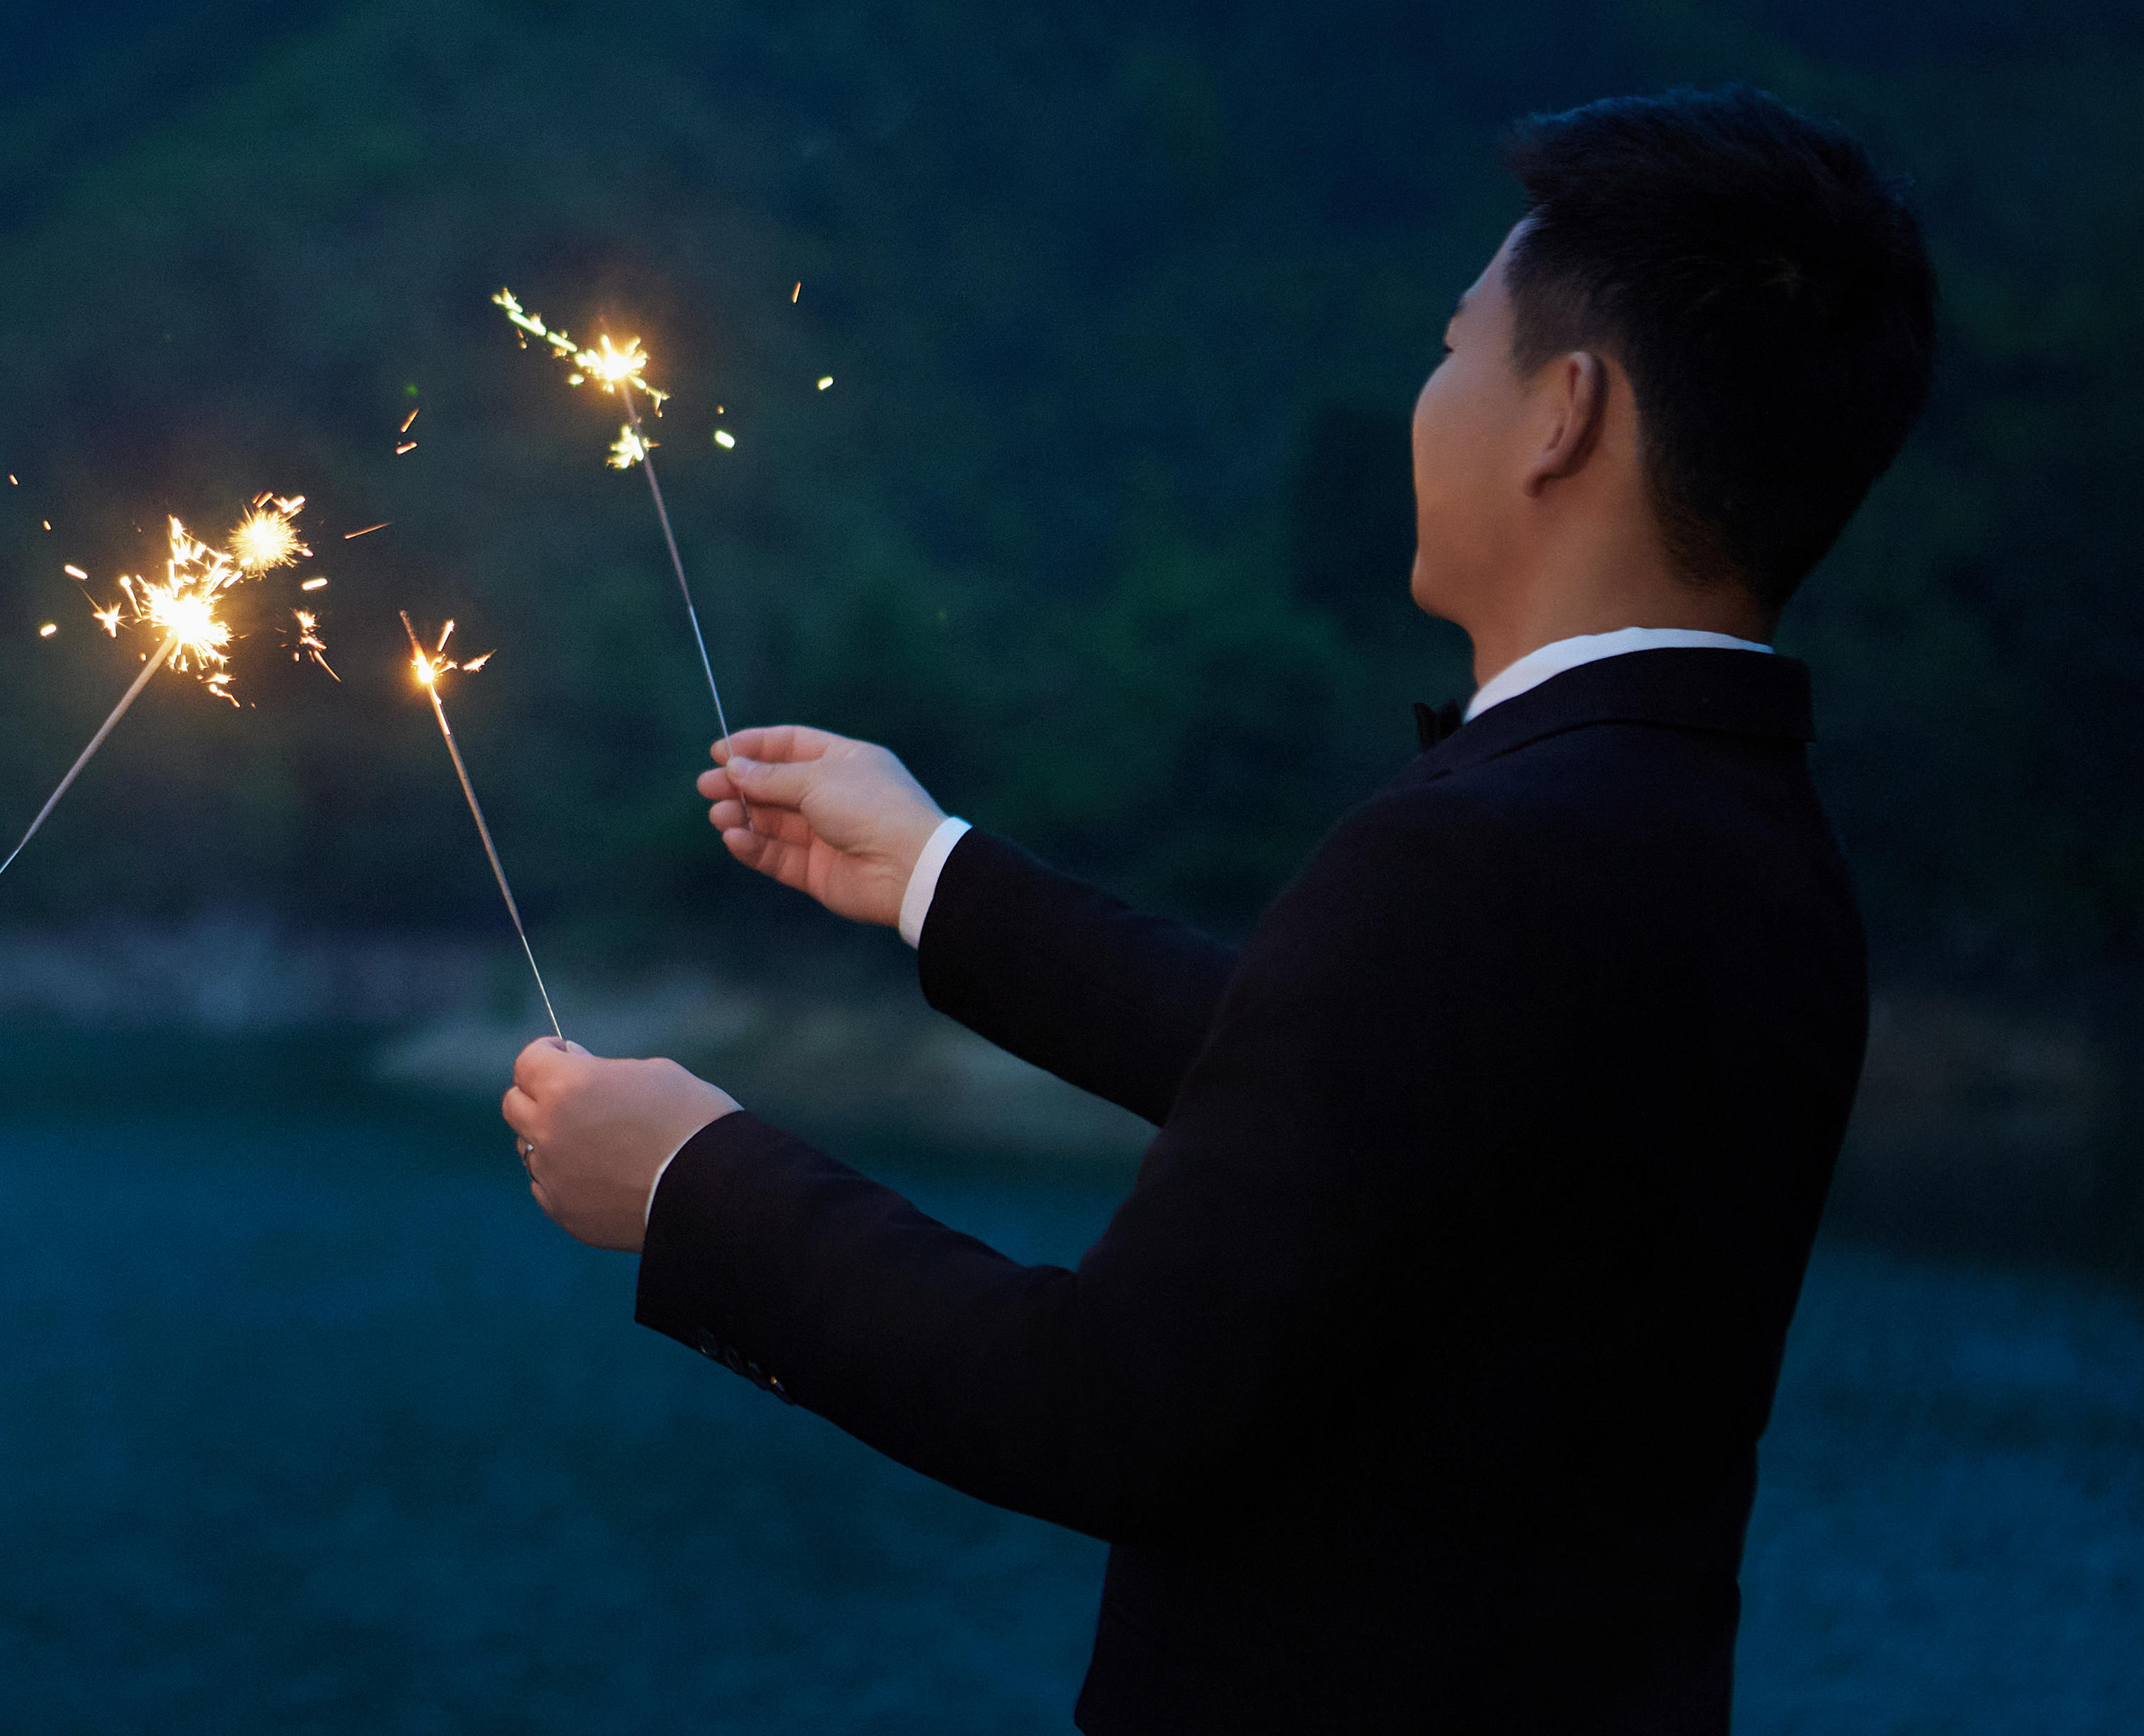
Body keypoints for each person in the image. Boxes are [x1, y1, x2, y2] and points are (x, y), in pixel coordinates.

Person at [504, 87, 1938, 1732]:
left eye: (1453, 346)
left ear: (1566, 414)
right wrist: (930, 871)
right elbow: (1354, 1095)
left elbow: (1103, 1402)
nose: (1429, 392)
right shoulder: (1745, 835)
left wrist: (694, 1179)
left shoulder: (1496, 846)